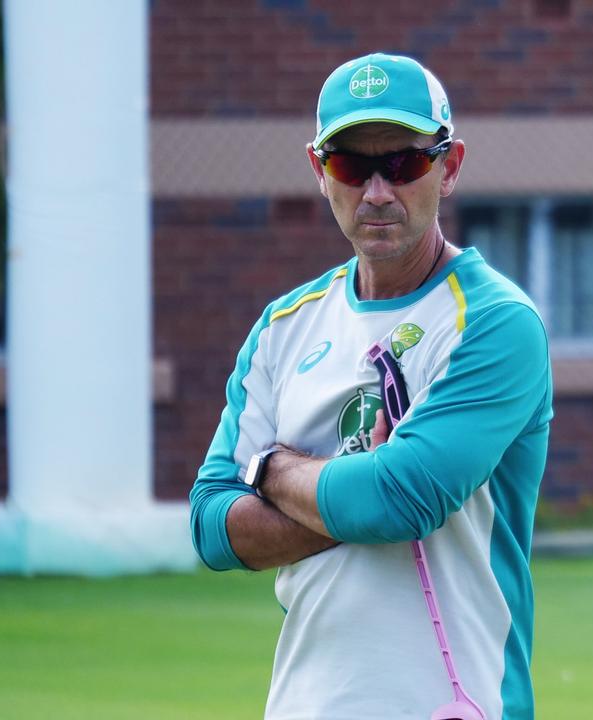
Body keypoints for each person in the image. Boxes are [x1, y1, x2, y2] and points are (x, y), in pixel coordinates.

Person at [189, 52, 552, 719]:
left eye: (405, 163)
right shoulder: (283, 326)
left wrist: (270, 468)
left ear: (450, 166)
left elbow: (397, 502)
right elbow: (211, 524)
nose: (378, 192)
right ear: (318, 169)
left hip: (456, 704)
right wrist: (353, 492)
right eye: (352, 166)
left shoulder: (498, 324)